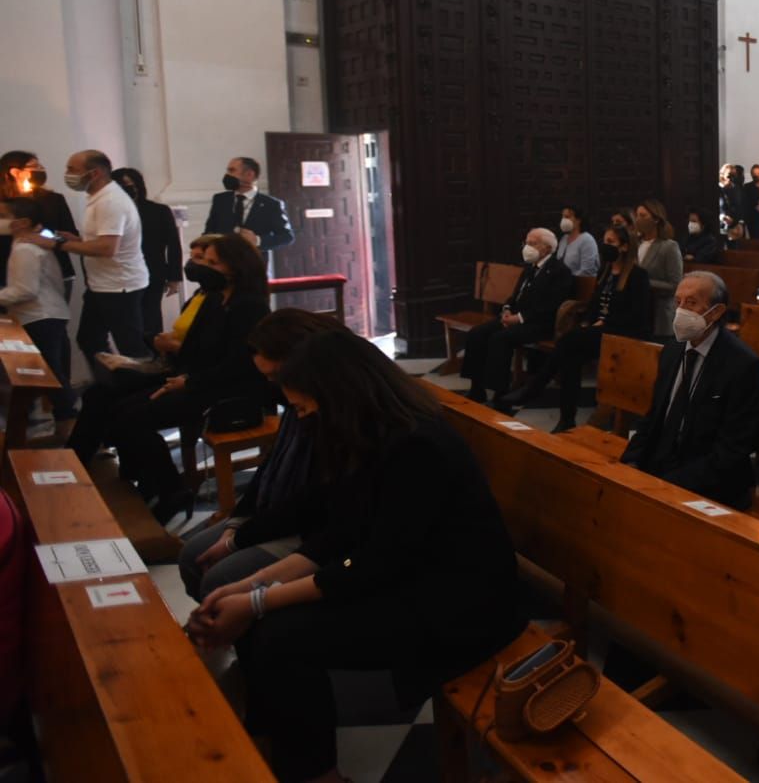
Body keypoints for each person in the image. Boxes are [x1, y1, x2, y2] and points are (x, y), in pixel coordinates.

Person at [187, 329, 521, 783]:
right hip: (404, 577)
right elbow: (337, 535)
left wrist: (258, 601)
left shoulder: (416, 446)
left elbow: (372, 565)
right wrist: (249, 586)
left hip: (458, 603)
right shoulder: (366, 436)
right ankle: (275, 739)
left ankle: (316, 773)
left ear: (339, 396)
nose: (302, 421)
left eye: (304, 409)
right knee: (266, 626)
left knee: (283, 638)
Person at [71, 234, 270, 523]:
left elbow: (239, 365)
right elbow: (197, 349)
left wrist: (187, 381)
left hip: (228, 392)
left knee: (130, 417)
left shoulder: (248, 305)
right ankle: (149, 483)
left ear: (235, 267)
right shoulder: (218, 298)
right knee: (117, 406)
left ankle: (170, 491)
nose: (205, 267)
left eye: (213, 262)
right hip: (200, 379)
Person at [178, 308, 345, 600]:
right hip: (277, 515)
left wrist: (238, 540)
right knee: (192, 555)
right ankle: (221, 630)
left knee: (219, 577)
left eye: (276, 376)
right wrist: (236, 522)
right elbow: (270, 469)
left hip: (305, 528)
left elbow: (313, 505)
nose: (274, 386)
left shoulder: (331, 412)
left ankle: (226, 627)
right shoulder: (298, 401)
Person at [620, 272, 759, 509]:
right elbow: (654, 415)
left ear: (716, 312)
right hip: (662, 463)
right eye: (678, 302)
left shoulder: (743, 366)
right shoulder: (673, 350)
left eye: (691, 303)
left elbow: (732, 449)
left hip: (710, 478)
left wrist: (669, 483)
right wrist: (632, 460)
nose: (681, 311)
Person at [497, 224, 652, 428]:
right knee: (571, 356)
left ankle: (534, 389)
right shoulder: (605, 272)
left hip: (621, 333)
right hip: (598, 330)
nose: (605, 246)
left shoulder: (637, 276)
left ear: (624, 247)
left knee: (569, 340)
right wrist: (589, 321)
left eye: (611, 242)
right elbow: (594, 306)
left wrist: (604, 322)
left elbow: (638, 316)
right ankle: (566, 419)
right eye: (604, 241)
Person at [29, 150, 149, 359]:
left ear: (94, 174)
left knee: (131, 346)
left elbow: (107, 248)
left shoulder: (110, 201)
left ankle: (145, 388)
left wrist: (57, 245)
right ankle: (112, 385)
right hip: (101, 284)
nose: (67, 174)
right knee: (90, 339)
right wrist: (76, 240)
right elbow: (103, 240)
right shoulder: (98, 197)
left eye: (72, 170)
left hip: (119, 286)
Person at [461, 228, 574, 406]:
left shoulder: (560, 271)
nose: (526, 247)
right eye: (526, 243)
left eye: (532, 243)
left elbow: (550, 307)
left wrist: (519, 318)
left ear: (547, 247)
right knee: (477, 333)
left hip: (539, 324)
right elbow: (515, 297)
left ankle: (500, 394)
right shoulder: (530, 268)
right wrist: (507, 310)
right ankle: (477, 389)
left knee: (500, 339)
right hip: (516, 319)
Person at [0, 198, 77, 426]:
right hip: (44, 314)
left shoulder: (26, 248)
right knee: (48, 376)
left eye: (3, 215)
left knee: (51, 377)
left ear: (22, 222)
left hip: (40, 316)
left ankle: (70, 430)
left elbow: (25, 290)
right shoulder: (33, 241)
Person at [112, 167, 183, 334]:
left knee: (151, 318)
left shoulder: (158, 211)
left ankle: (155, 355)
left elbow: (173, 244)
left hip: (153, 271)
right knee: (128, 321)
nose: (132, 189)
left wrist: (174, 277)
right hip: (123, 274)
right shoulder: (112, 213)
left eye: (133, 184)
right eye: (124, 186)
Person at [0, 151, 77, 289]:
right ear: (15, 172)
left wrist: (44, 233)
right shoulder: (3, 205)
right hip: (10, 276)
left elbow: (70, 235)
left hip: (54, 273)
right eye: (34, 166)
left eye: (40, 165)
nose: (40, 169)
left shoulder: (53, 200)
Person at [202, 157, 295, 254]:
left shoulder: (271, 204)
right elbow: (209, 231)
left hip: (254, 262)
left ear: (249, 174)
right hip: (221, 261)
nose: (227, 175)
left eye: (232, 170)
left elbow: (287, 236)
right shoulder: (220, 200)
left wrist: (257, 240)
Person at [633, 199, 685, 339]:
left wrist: (644, 282)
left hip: (659, 311)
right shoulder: (635, 244)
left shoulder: (668, 247)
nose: (638, 220)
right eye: (637, 215)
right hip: (638, 309)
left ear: (656, 219)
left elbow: (675, 285)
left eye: (643, 216)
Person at [555, 205, 600, 277]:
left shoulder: (587, 240)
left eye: (567, 217)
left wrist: (566, 281)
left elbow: (587, 271)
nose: (563, 220)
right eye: (562, 217)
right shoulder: (564, 239)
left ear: (578, 220)